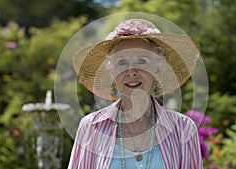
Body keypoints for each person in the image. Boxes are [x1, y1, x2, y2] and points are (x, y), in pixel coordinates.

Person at [68, 18, 203, 169]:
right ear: (112, 72)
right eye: (122, 62)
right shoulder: (91, 127)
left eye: (142, 61)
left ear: (157, 69)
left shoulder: (183, 129)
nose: (131, 71)